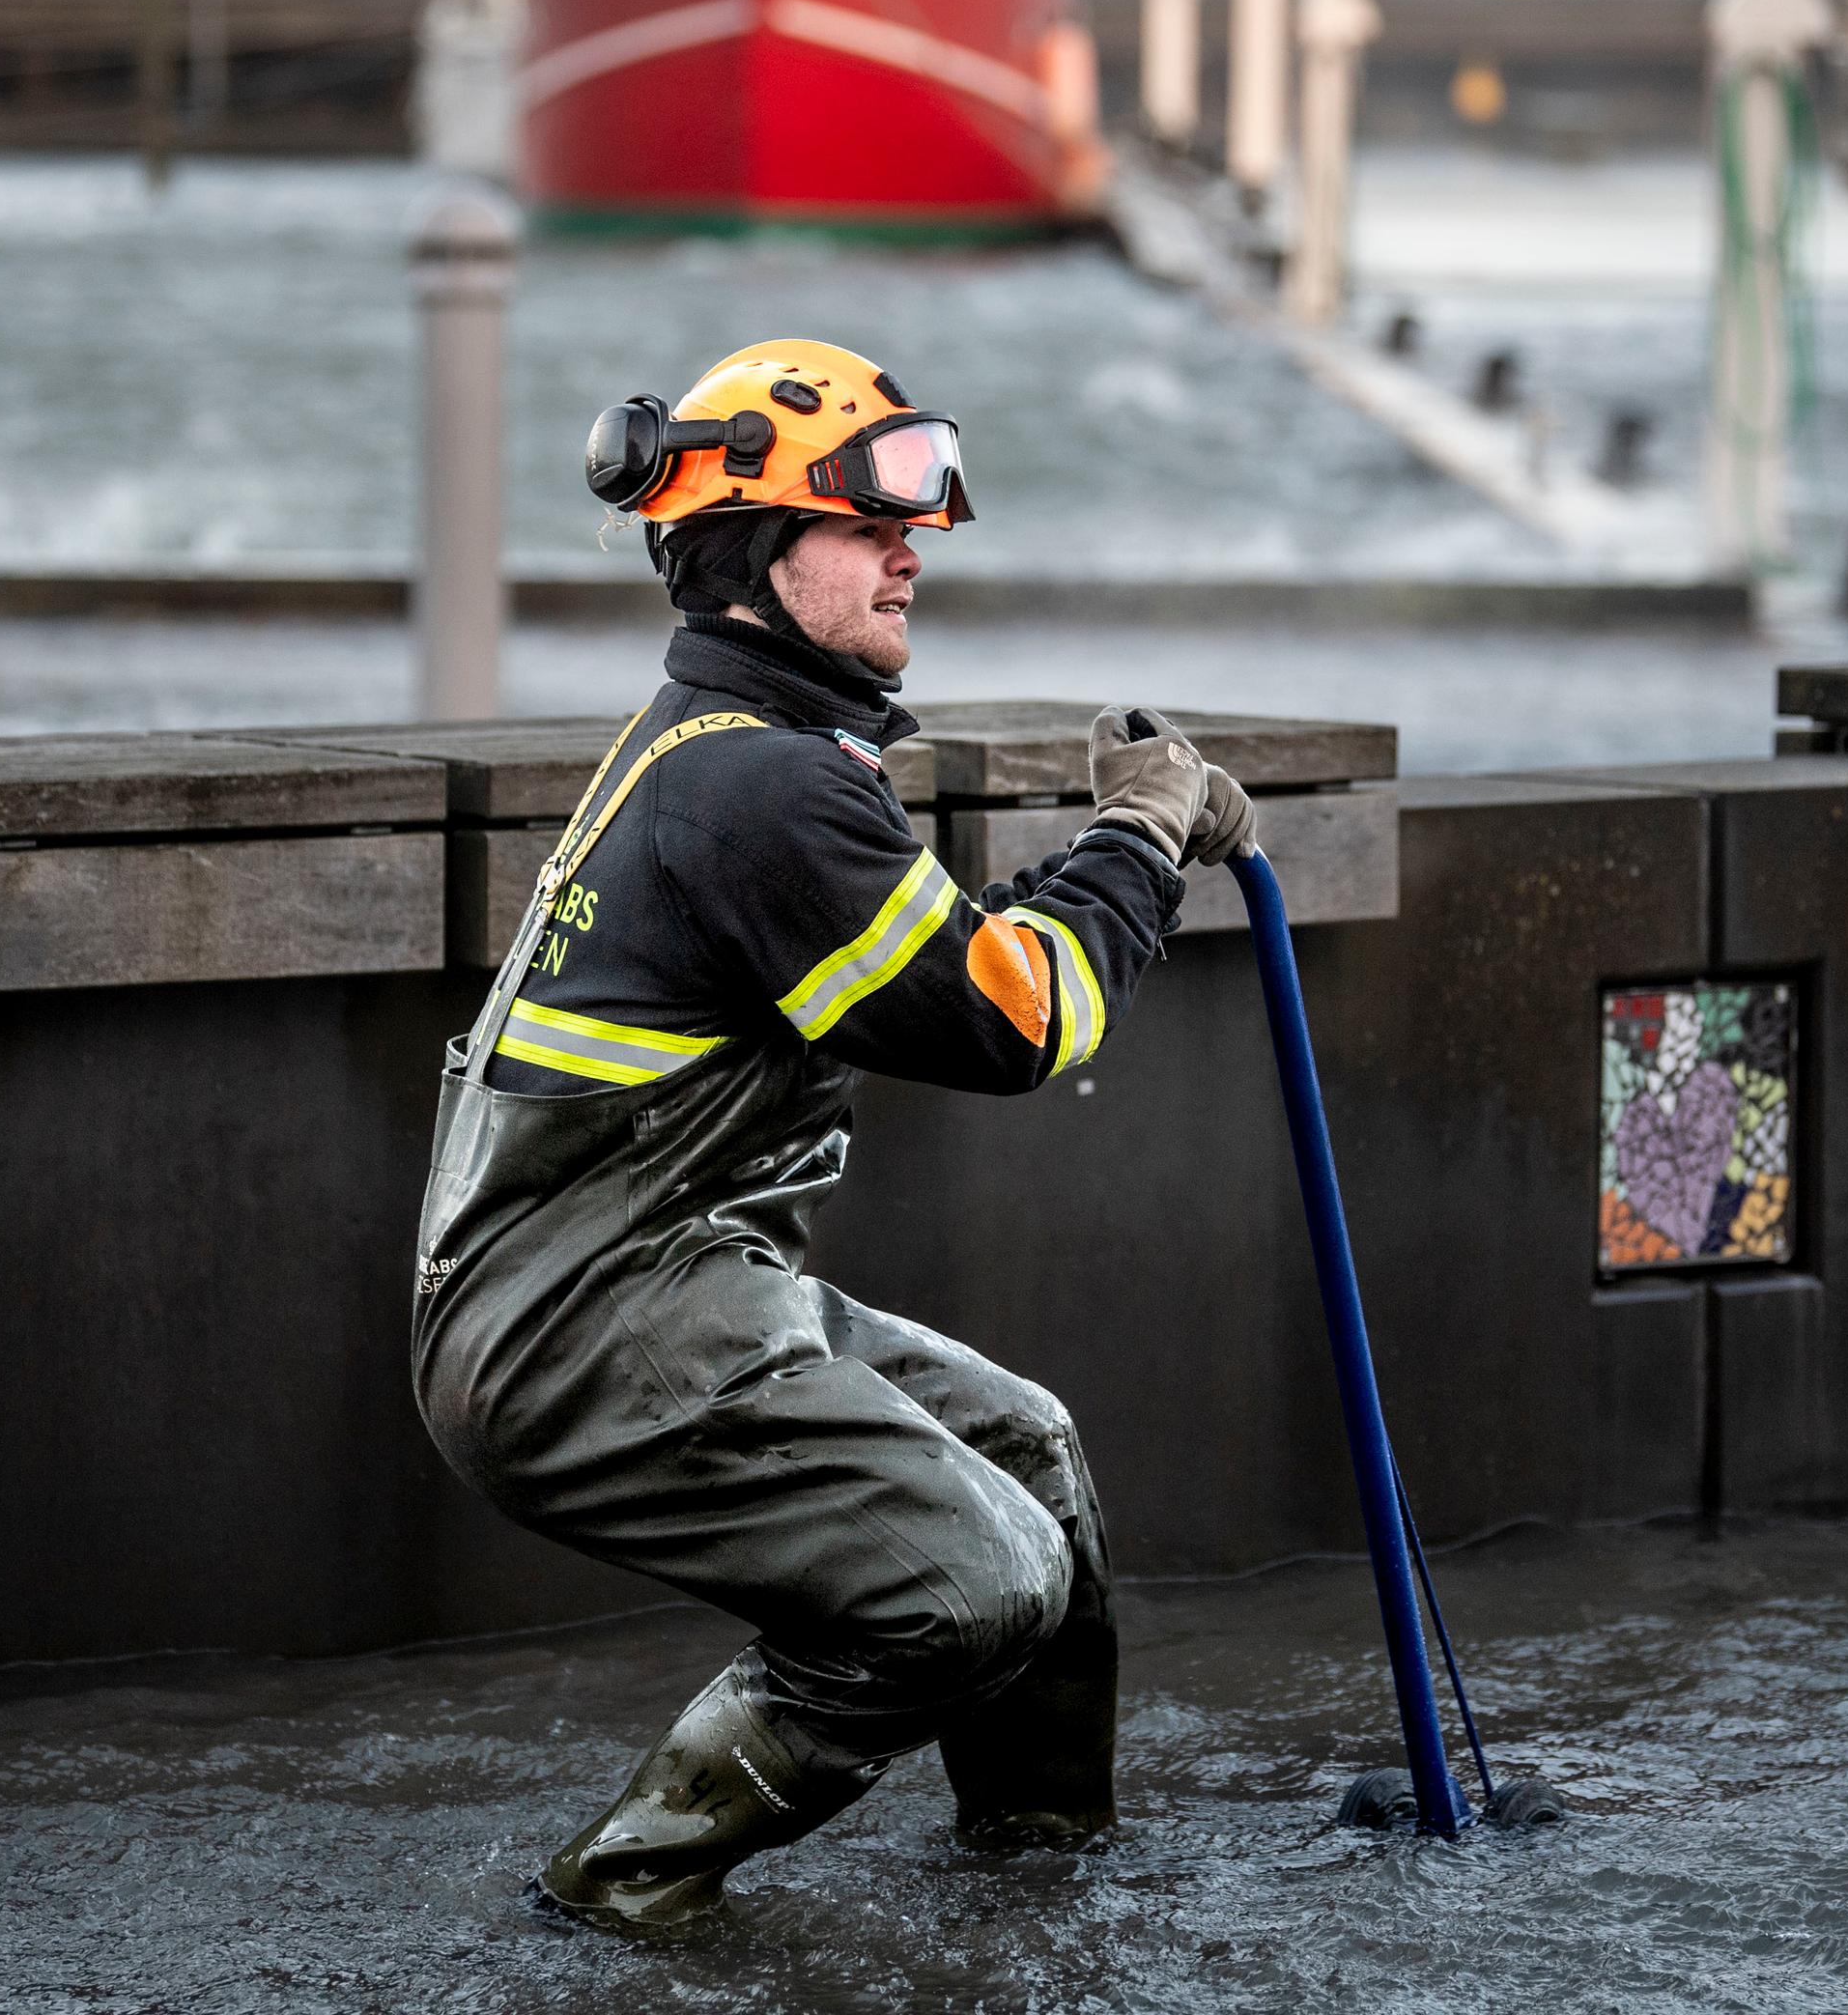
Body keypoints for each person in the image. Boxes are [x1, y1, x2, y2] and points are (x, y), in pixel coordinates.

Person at [410, 339, 1257, 1932]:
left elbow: (950, 965)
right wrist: (1140, 834)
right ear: (749, 552)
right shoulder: (762, 790)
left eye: (913, 518)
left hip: (650, 1280)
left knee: (1032, 1455)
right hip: (585, 1331)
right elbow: (1018, 1023)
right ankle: (619, 1891)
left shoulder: (735, 751)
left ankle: (1041, 1856)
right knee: (975, 1578)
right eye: (865, 523)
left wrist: (1112, 860)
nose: (911, 549)